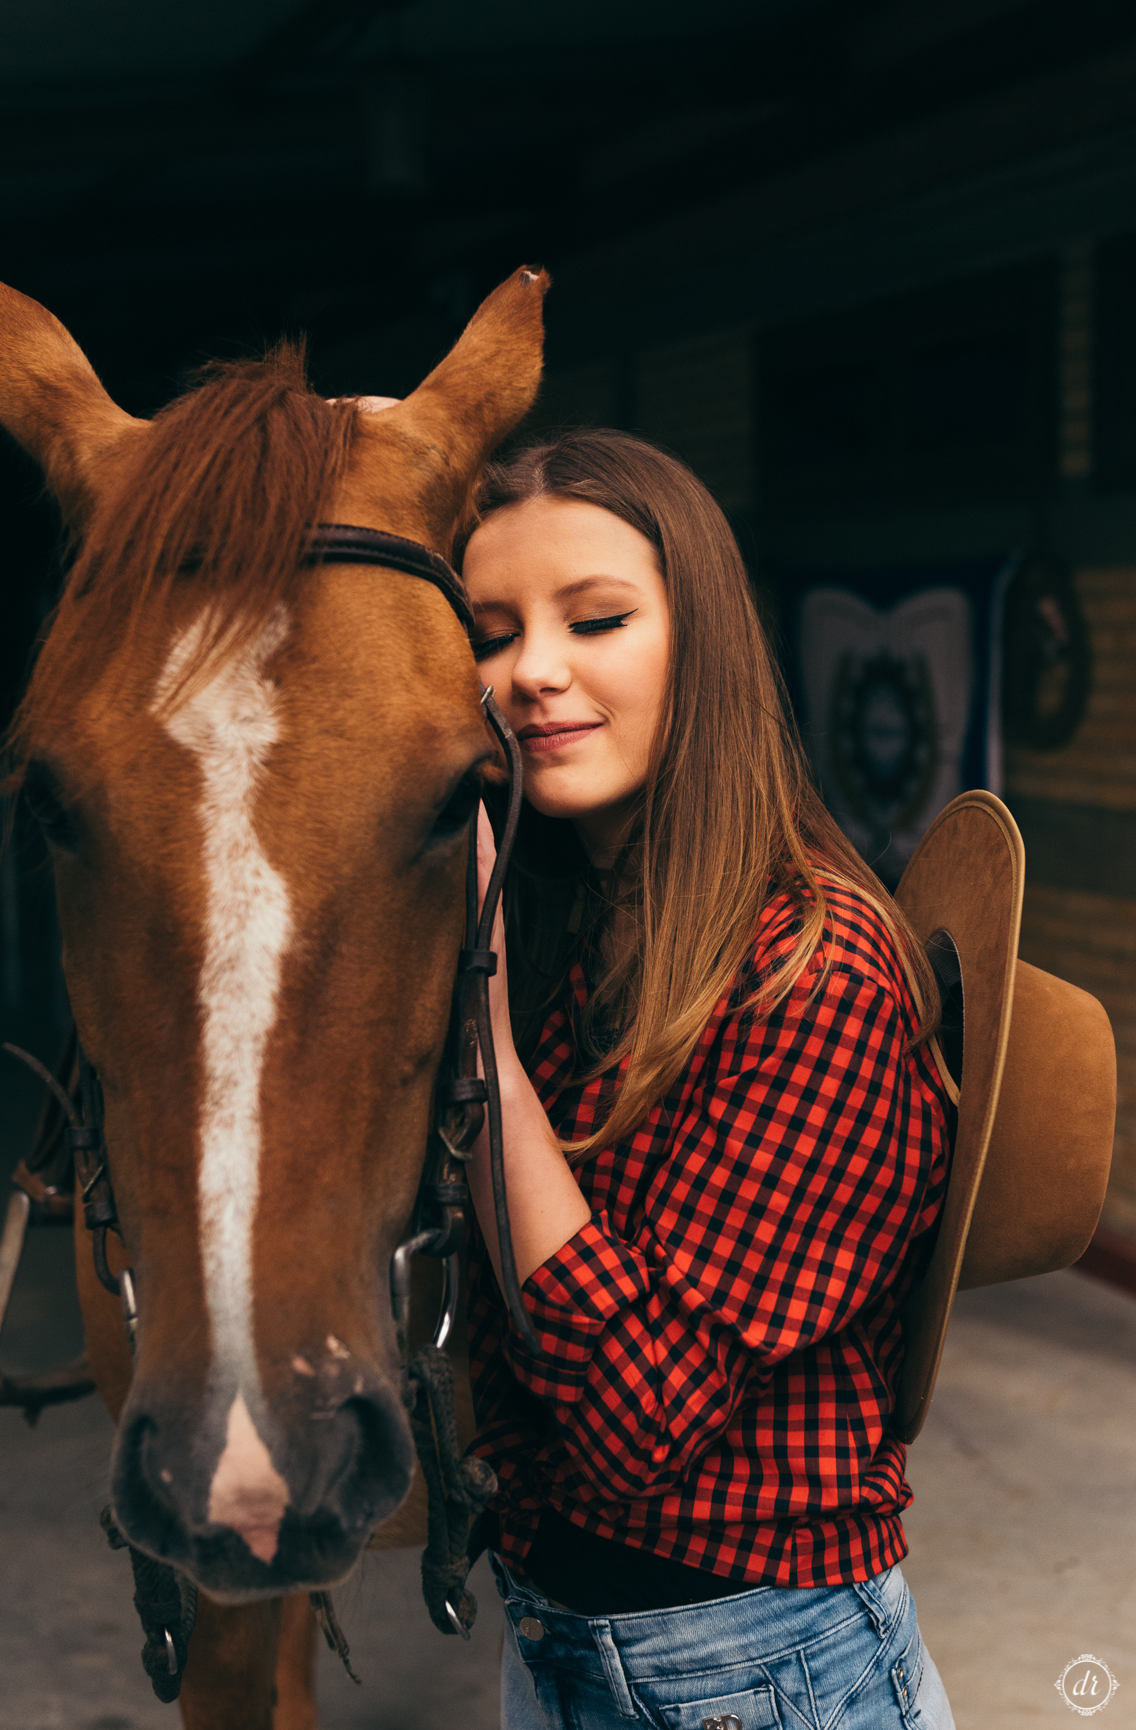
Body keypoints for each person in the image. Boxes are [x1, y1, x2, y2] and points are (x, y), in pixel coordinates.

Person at [459, 428, 956, 1730]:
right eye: (492, 629)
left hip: (760, 1665)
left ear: (706, 641)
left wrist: (485, 1051)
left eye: (598, 616)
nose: (531, 671)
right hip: (561, 1635)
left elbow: (637, 1414)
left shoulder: (816, 967)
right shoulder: (595, 923)